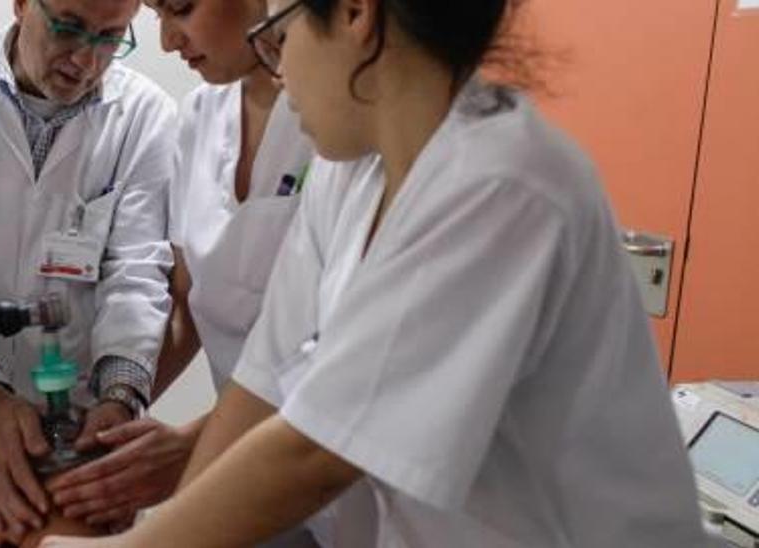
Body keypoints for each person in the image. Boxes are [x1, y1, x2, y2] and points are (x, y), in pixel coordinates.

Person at [44, 0, 708, 545]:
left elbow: (318, 451)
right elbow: (263, 388)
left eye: (282, 33)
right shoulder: (349, 171)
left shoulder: (505, 181)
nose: (280, 66)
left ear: (357, 14)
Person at [42, 1, 373, 545]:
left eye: (181, 8)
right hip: (250, 468)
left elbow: (326, 374)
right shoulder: (200, 118)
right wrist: (116, 411)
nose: (169, 41)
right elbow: (192, 310)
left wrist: (194, 448)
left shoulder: (343, 134)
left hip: (335, 474)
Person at [0, 0, 177, 545]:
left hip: (78, 433)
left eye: (111, 38)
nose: (85, 60)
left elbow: (136, 274)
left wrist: (120, 398)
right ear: (21, 5)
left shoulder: (144, 115)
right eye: (68, 28)